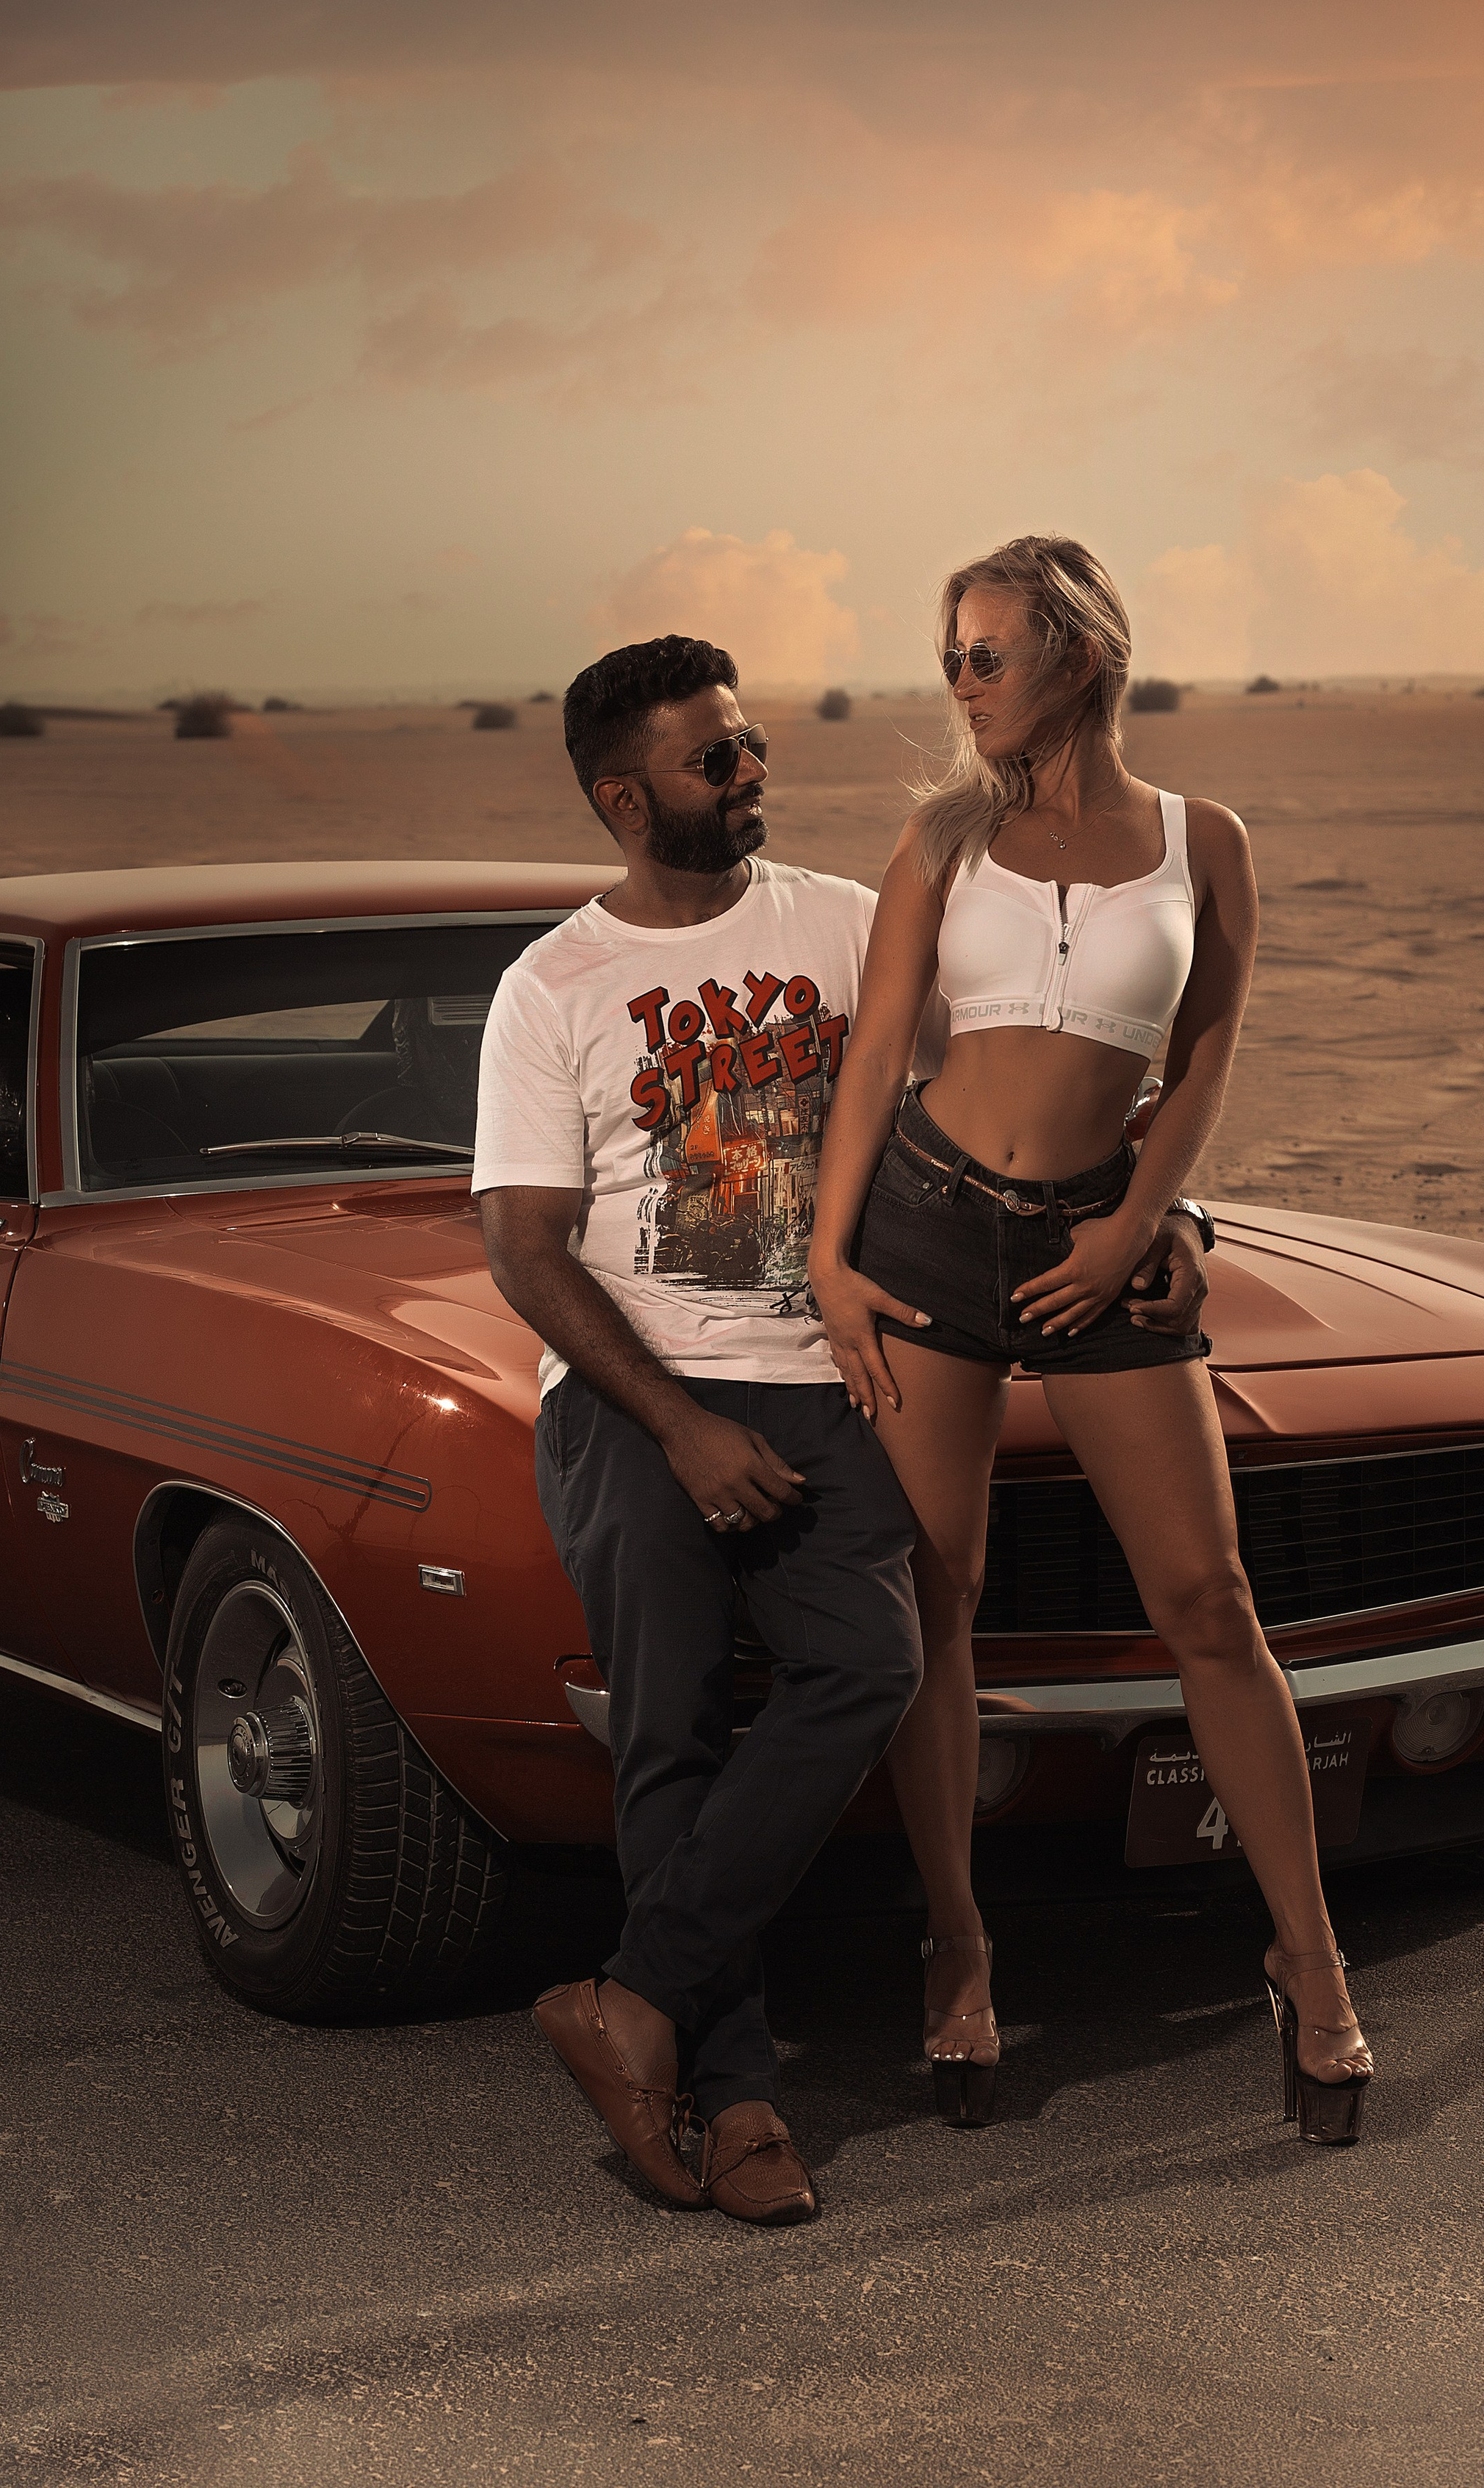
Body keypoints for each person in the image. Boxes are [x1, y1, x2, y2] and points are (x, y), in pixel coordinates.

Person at [473, 633, 1215, 2221]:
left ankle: (632, 2000)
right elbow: (527, 1251)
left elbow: (1017, 1103)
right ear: (623, 798)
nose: (750, 774)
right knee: (670, 1733)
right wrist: (675, 1427)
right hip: (639, 1403)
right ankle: (732, 2103)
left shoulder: (843, 920)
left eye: (746, 745)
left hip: (830, 1381)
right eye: (710, 758)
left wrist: (1170, 1206)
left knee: (872, 1664)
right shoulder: (552, 987)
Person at [807, 536, 1375, 2145]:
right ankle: (959, 1941)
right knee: (940, 1600)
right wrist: (828, 1263)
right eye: (952, 661)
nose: (962, 687)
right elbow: (868, 1067)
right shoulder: (938, 841)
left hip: (1099, 1250)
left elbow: (1203, 1055)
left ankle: (1309, 1960)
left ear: (1078, 655)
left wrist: (1140, 1223)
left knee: (1206, 1598)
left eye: (987, 655)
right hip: (922, 1228)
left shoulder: (1206, 842)